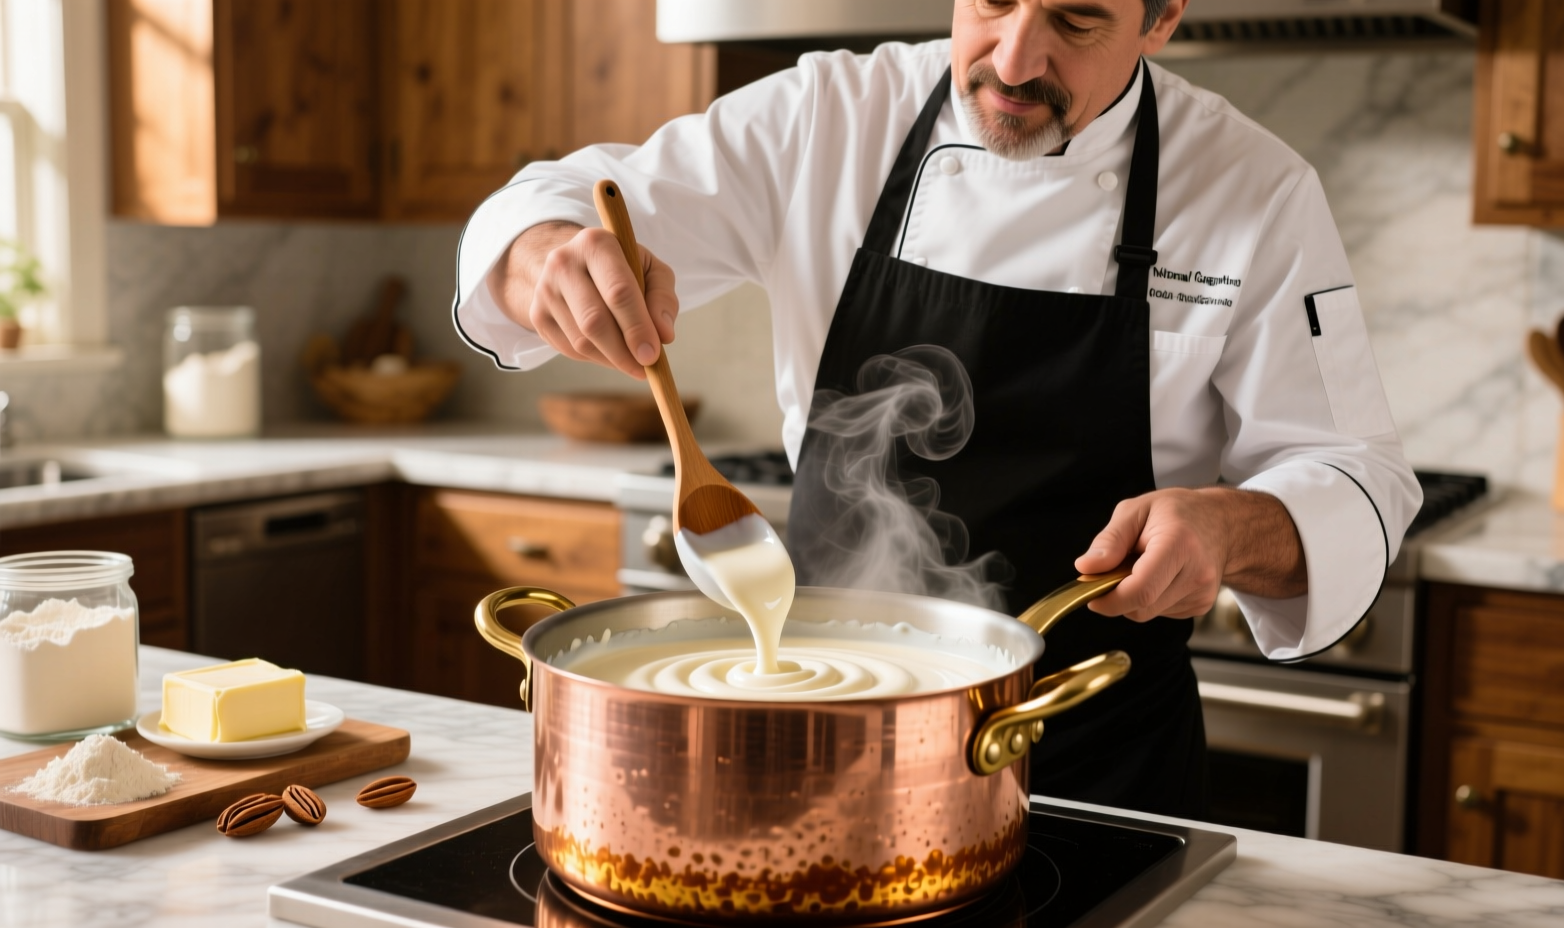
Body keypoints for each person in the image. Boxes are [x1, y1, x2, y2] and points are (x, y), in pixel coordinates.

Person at [452, 0, 1422, 816]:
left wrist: (1234, 522)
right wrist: (542, 248)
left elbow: (1353, 468)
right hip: (822, 732)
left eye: (1075, 18)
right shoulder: (829, 114)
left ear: (1161, 17)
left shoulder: (1249, 188)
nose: (1013, 57)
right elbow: (566, 194)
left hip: (1093, 756)